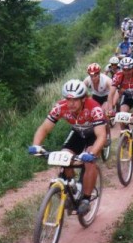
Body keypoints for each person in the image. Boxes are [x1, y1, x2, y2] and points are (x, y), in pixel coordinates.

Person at [28, 80, 107, 215]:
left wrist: (92, 152)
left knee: (89, 162)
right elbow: (44, 128)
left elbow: (101, 136)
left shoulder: (94, 108)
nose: (70, 103)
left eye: (75, 100)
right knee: (64, 157)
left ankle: (86, 200)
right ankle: (72, 186)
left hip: (93, 134)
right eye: (68, 99)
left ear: (83, 99)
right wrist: (36, 145)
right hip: (77, 132)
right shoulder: (60, 107)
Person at [107, 57, 133, 161]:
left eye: (129, 69)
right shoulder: (118, 76)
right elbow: (111, 94)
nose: (126, 72)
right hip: (127, 97)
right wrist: (110, 109)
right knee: (122, 116)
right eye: (124, 69)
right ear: (121, 69)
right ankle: (126, 138)